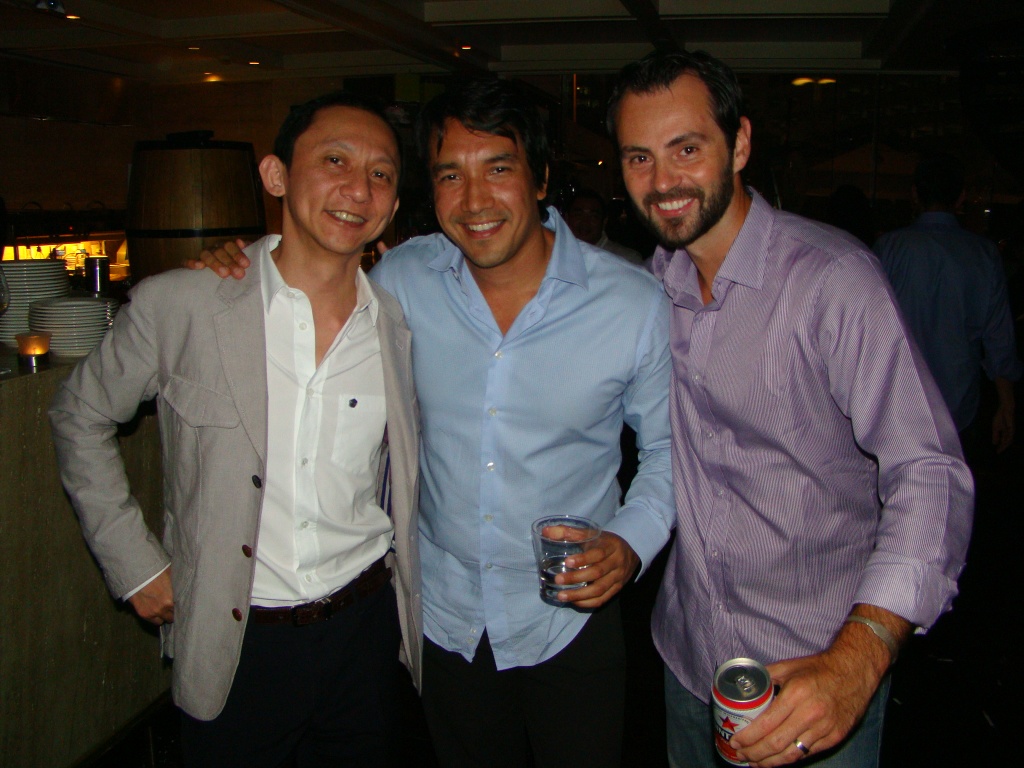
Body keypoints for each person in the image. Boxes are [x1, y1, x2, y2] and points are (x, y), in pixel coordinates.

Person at [193, 77, 674, 768]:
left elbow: (666, 452)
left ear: (541, 178)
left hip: (570, 618)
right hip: (445, 620)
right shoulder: (401, 279)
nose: (474, 201)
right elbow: (307, 273)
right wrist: (235, 262)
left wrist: (630, 543)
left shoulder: (633, 303)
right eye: (451, 175)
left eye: (499, 169)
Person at [607, 51, 973, 768]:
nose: (663, 181)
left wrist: (861, 655)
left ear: (740, 143)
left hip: (815, 669)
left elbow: (929, 470)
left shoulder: (832, 282)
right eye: (638, 158)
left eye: (687, 149)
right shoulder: (654, 286)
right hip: (688, 656)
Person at [49, 91, 421, 768]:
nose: (357, 189)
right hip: (238, 640)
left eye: (380, 174)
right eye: (334, 160)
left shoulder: (397, 327)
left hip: (365, 632)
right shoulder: (182, 304)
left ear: (392, 206)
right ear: (276, 175)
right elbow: (79, 414)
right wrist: (136, 565)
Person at [874, 153, 1022, 455]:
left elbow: (870, 326)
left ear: (914, 194)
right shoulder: (984, 254)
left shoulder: (889, 248)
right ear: (961, 196)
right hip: (959, 405)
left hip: (898, 402)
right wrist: (1006, 403)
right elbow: (999, 338)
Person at [564, 187, 647, 264]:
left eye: (593, 216)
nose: (585, 222)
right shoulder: (559, 254)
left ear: (604, 222)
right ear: (567, 218)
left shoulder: (627, 260)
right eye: (578, 215)